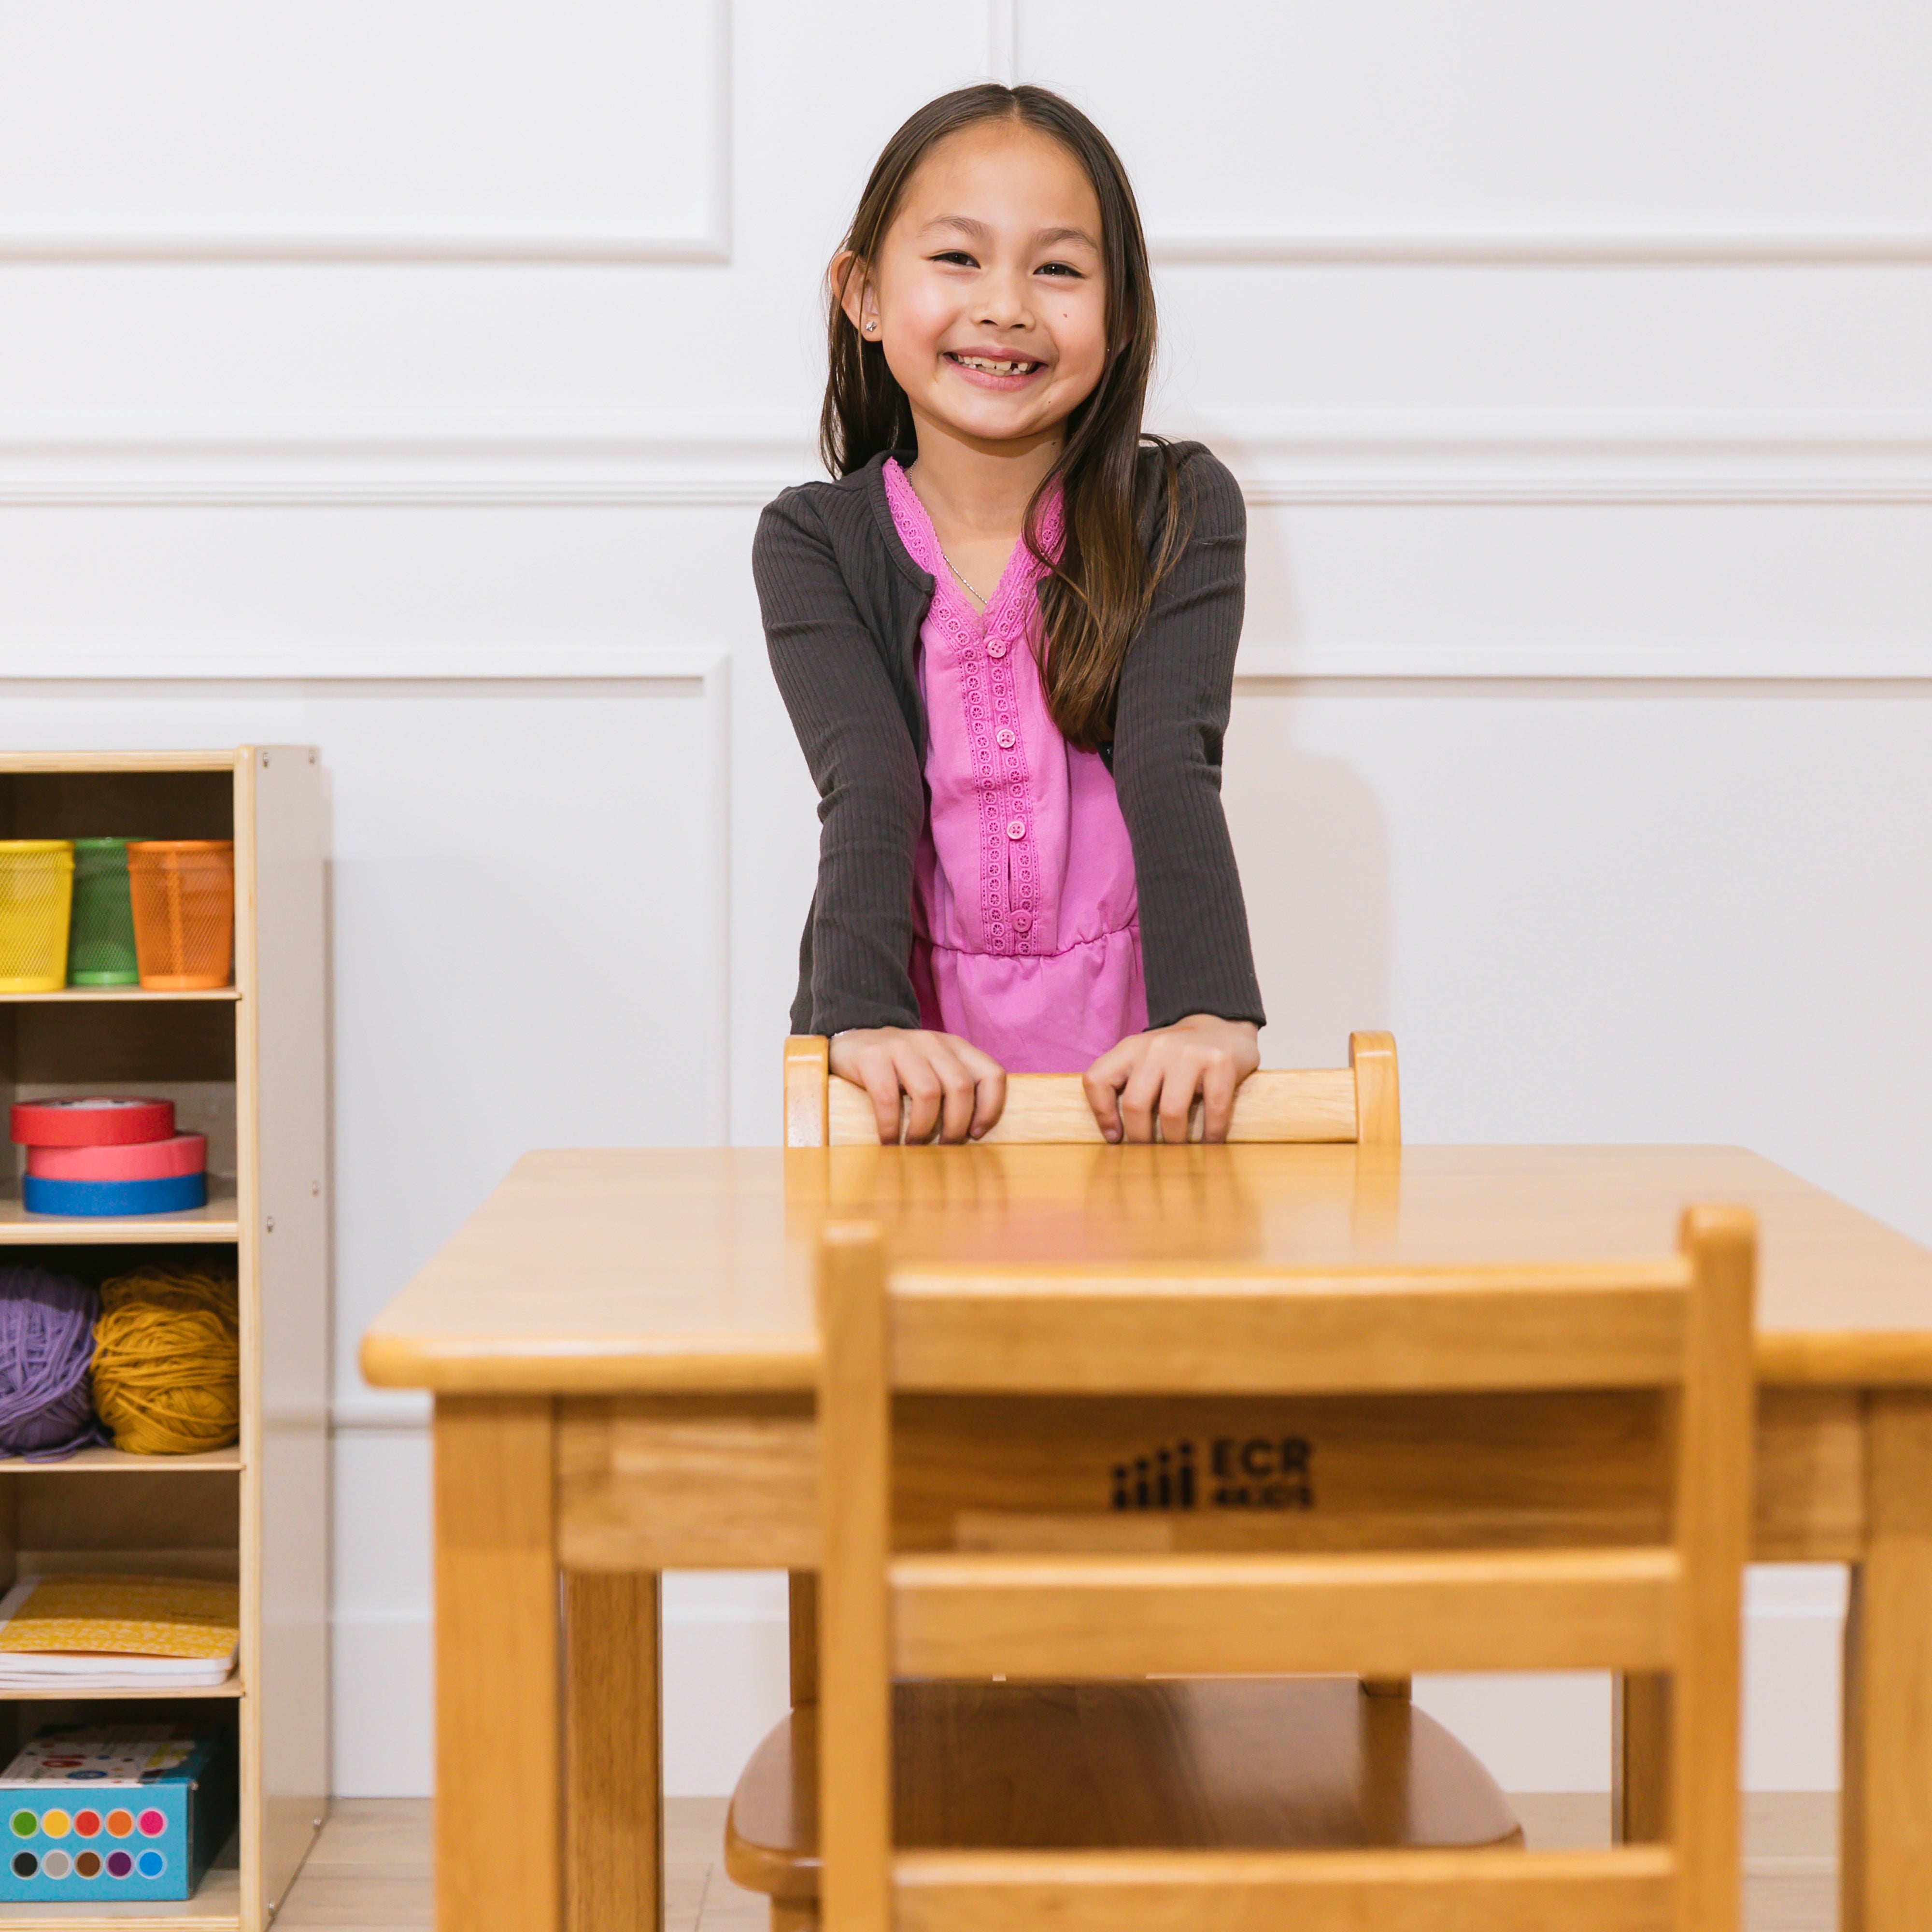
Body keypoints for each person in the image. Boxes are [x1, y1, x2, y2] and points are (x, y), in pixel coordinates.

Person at [756, 84, 1264, 1146]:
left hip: (1136, 1067)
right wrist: (861, 1021)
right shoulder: (812, 543)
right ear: (861, 293)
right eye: (957, 258)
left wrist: (1206, 1015)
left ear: (1120, 315)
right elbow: (868, 785)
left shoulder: (1178, 508)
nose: (1005, 306)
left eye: (1059, 269)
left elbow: (1173, 759)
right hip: (906, 1062)